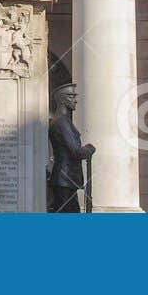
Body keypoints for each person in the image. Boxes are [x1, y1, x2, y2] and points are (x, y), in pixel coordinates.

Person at [47, 82, 94, 213]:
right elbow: (76, 151)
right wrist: (90, 149)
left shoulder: (61, 121)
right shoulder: (62, 122)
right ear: (62, 99)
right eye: (71, 96)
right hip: (65, 179)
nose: (75, 100)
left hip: (66, 180)